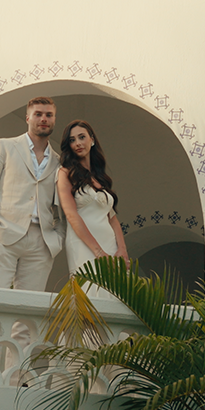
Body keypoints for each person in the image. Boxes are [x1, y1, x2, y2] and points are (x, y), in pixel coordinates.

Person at [0, 96, 63, 382]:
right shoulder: (3, 147)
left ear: (54, 119)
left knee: (26, 320)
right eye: (38, 114)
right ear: (28, 117)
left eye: (48, 115)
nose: (43, 119)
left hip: (40, 244)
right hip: (3, 236)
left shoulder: (59, 162)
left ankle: (14, 384)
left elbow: (61, 207)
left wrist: (56, 239)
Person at [57, 120, 130, 289]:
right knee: (91, 293)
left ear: (92, 140)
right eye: (72, 140)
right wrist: (98, 252)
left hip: (110, 244)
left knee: (118, 293)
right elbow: (71, 215)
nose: (78, 143)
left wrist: (122, 249)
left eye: (82, 137)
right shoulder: (65, 173)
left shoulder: (100, 177)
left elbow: (112, 218)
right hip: (83, 244)